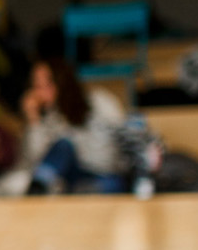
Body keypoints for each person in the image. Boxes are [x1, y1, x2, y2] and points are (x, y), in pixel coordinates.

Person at [20, 58, 127, 195]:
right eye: (37, 86)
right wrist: (33, 119)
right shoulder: (48, 119)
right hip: (69, 179)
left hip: (106, 174)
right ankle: (36, 192)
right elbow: (37, 162)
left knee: (97, 188)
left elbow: (124, 138)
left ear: (62, 80)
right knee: (63, 145)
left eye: (47, 85)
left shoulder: (98, 100)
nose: (40, 93)